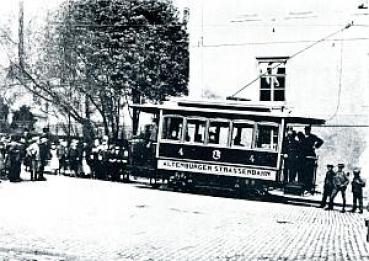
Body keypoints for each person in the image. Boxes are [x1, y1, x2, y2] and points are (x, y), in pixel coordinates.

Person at [301, 126, 324, 191]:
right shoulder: (303, 137)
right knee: (303, 172)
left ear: (309, 130)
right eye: (305, 130)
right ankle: (303, 187)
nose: (306, 131)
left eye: (307, 130)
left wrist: (315, 146)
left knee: (309, 172)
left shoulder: (313, 137)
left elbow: (321, 141)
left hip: (310, 156)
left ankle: (308, 187)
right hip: (303, 156)